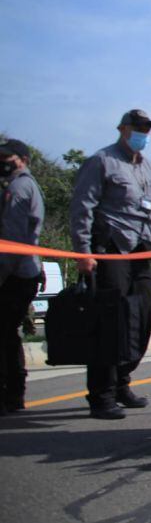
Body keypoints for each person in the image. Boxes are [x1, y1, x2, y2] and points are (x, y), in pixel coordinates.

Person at [71, 109, 151, 420]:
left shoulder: (149, 168)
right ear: (122, 128)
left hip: (140, 250)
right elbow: (82, 208)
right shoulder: (101, 161)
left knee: (143, 315)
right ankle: (101, 394)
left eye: (146, 129)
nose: (142, 133)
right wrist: (83, 252)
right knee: (110, 323)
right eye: (137, 128)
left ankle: (123, 381)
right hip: (111, 247)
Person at [0, 139, 44, 414]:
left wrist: (3, 273)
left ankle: (11, 393)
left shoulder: (19, 188)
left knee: (5, 335)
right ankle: (13, 393)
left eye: (8, 157)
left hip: (15, 272)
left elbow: (13, 238)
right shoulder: (18, 186)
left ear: (23, 159)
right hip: (21, 271)